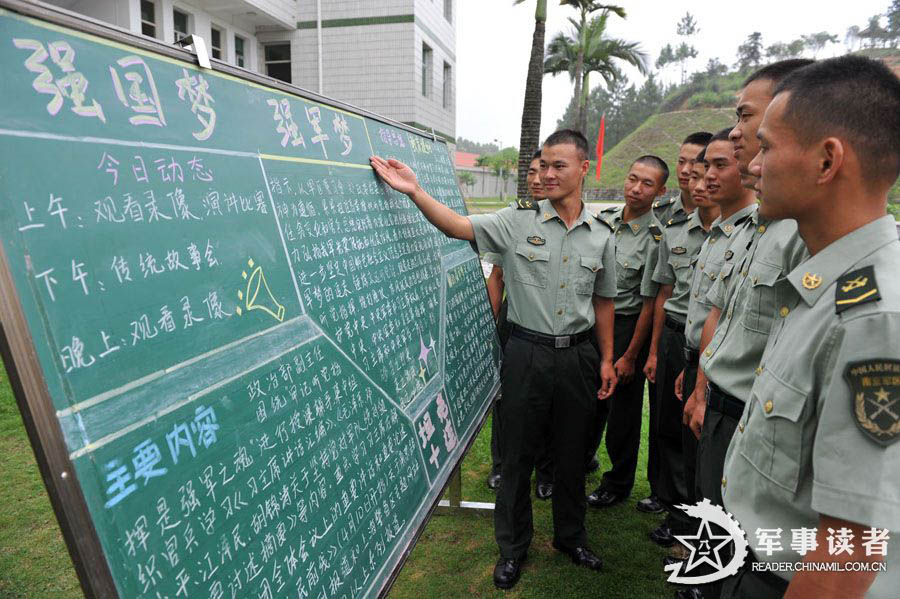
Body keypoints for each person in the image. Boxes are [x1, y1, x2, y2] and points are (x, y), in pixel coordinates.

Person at [370, 129, 618, 591]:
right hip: (526, 352)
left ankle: (571, 537)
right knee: (517, 456)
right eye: (543, 164)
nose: (546, 173)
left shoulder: (602, 235)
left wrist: (606, 359)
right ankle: (512, 548)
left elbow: (604, 301)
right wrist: (415, 191)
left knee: (571, 454)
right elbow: (456, 226)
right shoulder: (516, 222)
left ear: (585, 169)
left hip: (579, 357)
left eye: (558, 165)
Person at [721, 54, 900, 598]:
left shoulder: (873, 316)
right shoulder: (821, 280)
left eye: (768, 148)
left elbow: (850, 546)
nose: (752, 165)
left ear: (827, 162)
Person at [644, 137, 718, 549]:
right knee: (668, 426)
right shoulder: (673, 227)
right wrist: (654, 350)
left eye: (699, 163)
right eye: (684, 162)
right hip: (674, 338)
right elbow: (663, 293)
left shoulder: (734, 229)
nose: (690, 171)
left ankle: (695, 515)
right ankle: (673, 506)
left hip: (712, 348)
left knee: (699, 435)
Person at [585, 156, 666, 509]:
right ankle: (581, 461)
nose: (636, 188)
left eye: (647, 184)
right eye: (633, 179)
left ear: (661, 191)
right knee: (585, 403)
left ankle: (617, 483)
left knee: (622, 414)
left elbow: (649, 303)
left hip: (626, 328)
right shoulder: (603, 221)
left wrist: (631, 356)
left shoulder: (656, 237)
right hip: (588, 322)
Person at [485, 149, 554, 500]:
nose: (538, 177)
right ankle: (502, 464)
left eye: (547, 169)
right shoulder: (514, 220)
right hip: (514, 323)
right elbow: (496, 276)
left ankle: (545, 471)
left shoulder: (574, 222)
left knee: (549, 403)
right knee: (507, 399)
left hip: (554, 330)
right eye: (532, 170)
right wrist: (490, 325)